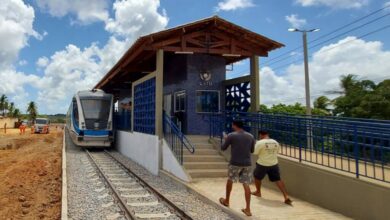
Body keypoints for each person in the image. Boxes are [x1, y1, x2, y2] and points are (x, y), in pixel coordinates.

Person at [219, 120, 255, 217]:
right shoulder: (251, 136)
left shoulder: (231, 135)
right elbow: (252, 150)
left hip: (235, 163)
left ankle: (227, 201)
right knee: (246, 184)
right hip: (247, 163)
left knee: (230, 180)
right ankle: (248, 209)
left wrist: (225, 138)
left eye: (232, 125)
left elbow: (223, 148)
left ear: (234, 125)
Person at [252, 130, 292, 205]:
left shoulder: (260, 142)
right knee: (278, 179)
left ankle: (258, 192)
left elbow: (255, 152)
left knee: (257, 177)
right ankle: (286, 196)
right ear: (268, 134)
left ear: (260, 135)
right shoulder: (275, 142)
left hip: (262, 164)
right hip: (274, 164)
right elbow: (277, 151)